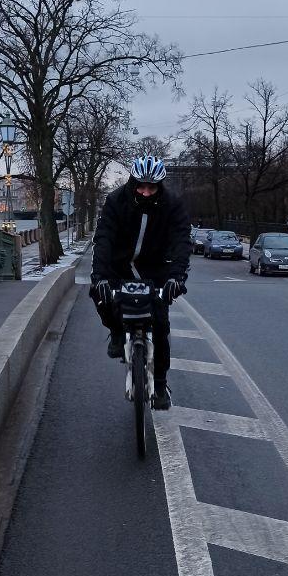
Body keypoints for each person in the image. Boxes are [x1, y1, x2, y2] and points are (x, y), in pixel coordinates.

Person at [90, 155, 191, 410]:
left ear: (160, 186)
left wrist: (176, 277)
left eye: (152, 187)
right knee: (102, 297)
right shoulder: (115, 201)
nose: (146, 193)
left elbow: (181, 241)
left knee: (160, 326)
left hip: (154, 269)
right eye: (141, 186)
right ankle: (115, 332)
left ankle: (159, 385)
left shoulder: (172, 205)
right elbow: (103, 239)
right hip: (118, 267)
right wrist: (100, 276)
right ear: (132, 182)